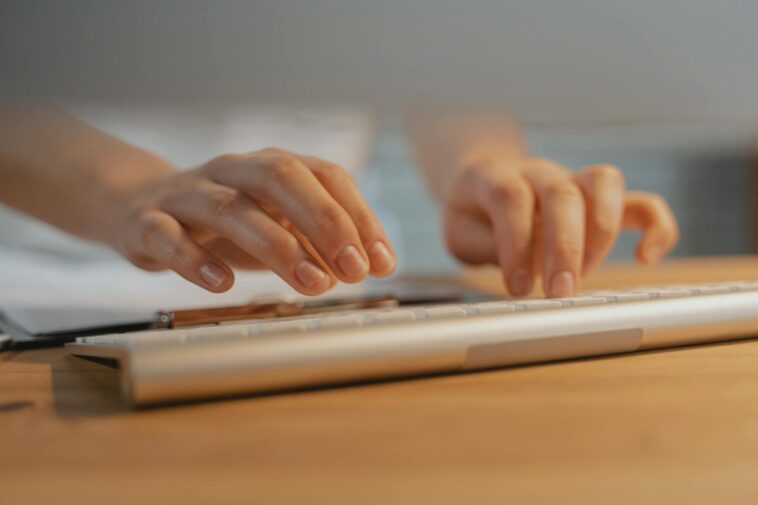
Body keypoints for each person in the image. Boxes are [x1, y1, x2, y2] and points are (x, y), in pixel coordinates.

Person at [0, 105, 679, 299]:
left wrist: (486, 170)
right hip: (42, 286)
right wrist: (128, 194)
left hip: (336, 292)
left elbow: (427, 47)